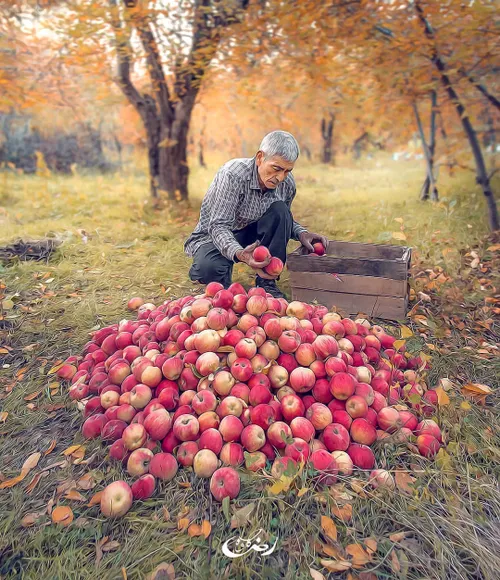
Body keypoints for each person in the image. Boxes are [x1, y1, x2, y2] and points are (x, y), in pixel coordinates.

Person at [184, 130, 327, 298]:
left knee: (280, 209)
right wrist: (239, 253)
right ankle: (222, 264)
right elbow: (218, 226)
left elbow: (283, 219)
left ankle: (267, 283)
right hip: (215, 235)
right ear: (260, 158)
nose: (280, 177)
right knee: (208, 272)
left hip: (253, 233)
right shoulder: (232, 175)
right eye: (276, 168)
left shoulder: (287, 183)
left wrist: (302, 233)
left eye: (287, 171)